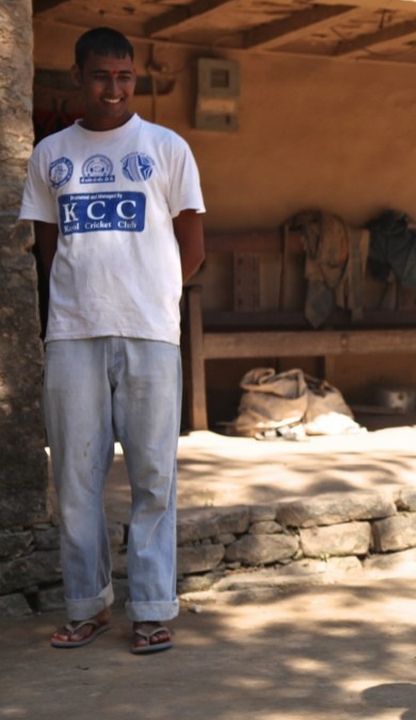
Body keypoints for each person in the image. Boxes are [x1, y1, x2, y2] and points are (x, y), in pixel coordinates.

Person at [20, 27, 206, 654]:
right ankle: (87, 605)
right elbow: (49, 246)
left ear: (135, 78)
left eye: (125, 76)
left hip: (151, 332)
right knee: (76, 476)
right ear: (79, 76)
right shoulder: (52, 153)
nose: (114, 88)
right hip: (73, 333)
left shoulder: (167, 147)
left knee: (155, 474)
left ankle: (151, 609)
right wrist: (79, 298)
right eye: (102, 75)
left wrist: (156, 296)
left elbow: (193, 241)